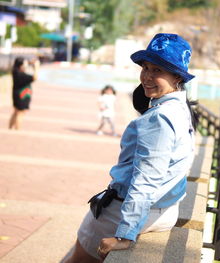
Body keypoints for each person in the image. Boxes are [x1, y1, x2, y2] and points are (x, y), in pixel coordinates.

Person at [64, 33, 198, 263]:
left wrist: (125, 235)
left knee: (74, 259)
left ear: (177, 76)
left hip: (124, 213)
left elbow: (146, 178)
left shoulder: (159, 118)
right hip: (164, 208)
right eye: (145, 67)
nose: (146, 76)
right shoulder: (181, 109)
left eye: (157, 70)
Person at [8, 57, 40, 130]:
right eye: (24, 65)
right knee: (20, 113)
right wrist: (37, 68)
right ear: (21, 66)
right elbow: (34, 77)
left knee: (16, 112)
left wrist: (31, 63)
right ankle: (17, 130)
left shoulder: (15, 72)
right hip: (21, 96)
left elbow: (24, 65)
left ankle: (10, 128)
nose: (26, 66)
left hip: (16, 94)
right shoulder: (20, 75)